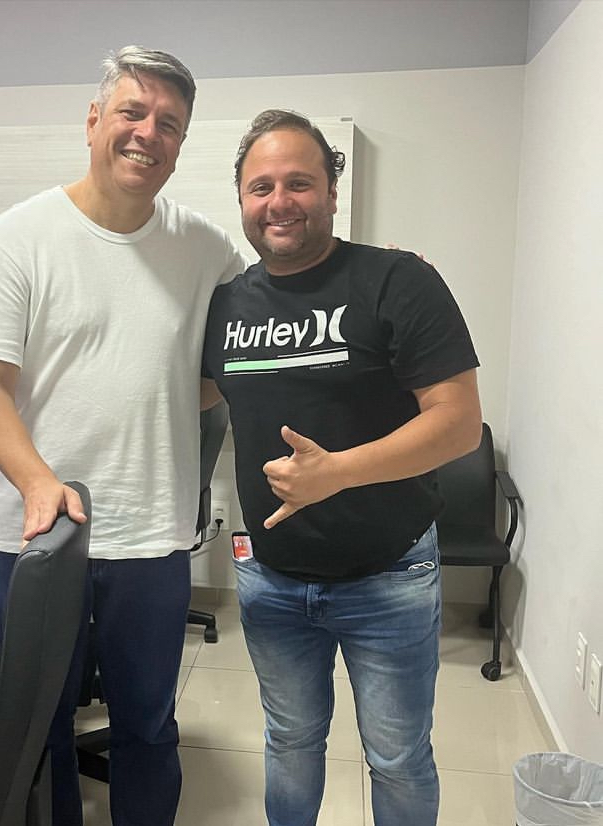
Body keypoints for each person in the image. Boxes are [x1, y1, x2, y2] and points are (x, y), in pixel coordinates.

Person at [0, 47, 246, 826]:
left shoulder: (209, 251)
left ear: (181, 144)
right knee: (40, 730)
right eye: (132, 112)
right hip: (38, 535)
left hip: (150, 534)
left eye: (169, 124)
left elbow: (256, 341)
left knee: (146, 724)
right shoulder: (19, 236)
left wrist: (371, 280)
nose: (148, 134)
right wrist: (39, 481)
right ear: (93, 120)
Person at [202, 109, 482, 826]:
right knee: (290, 743)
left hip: (388, 576)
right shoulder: (226, 306)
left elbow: (457, 422)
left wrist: (338, 472)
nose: (280, 201)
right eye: (261, 186)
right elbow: (183, 392)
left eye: (300, 182)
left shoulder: (397, 280)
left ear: (332, 191)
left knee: (397, 758)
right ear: (241, 200)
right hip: (270, 578)